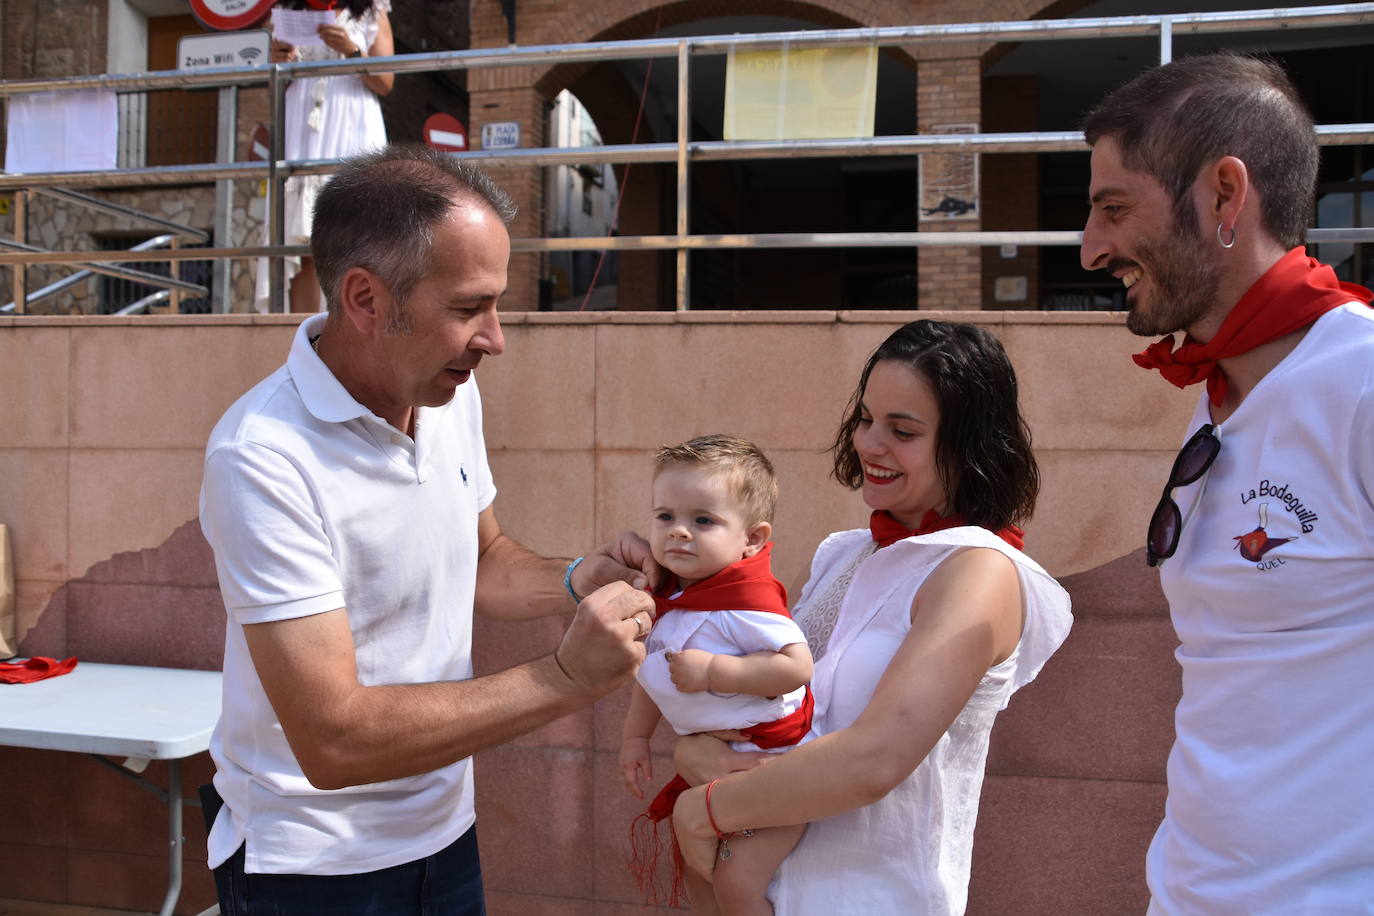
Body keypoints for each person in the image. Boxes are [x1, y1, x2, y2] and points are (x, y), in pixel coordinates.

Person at [199, 144, 659, 914]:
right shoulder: (262, 456)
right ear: (365, 299)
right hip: (312, 865)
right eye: (468, 308)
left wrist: (578, 579)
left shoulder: (446, 394)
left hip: (444, 836)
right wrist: (567, 676)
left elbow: (483, 557)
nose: (495, 338)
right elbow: (332, 741)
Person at [1078, 52, 1374, 915]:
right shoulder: (1219, 398)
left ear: (1223, 196)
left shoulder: (1360, 384)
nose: (1092, 250)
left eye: (1113, 209)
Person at [670, 320, 1073, 915]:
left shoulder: (978, 569)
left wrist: (703, 808)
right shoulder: (841, 554)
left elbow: (873, 760)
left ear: (970, 445)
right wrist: (696, 754)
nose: (870, 444)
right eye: (865, 419)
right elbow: (757, 705)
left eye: (902, 431)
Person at [621, 435, 814, 915]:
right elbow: (654, 676)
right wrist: (634, 739)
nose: (679, 531)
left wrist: (714, 670)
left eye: (703, 520)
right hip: (714, 766)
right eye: (665, 516)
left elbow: (796, 667)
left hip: (772, 762)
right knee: (698, 876)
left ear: (753, 539)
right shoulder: (669, 601)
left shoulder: (745, 602)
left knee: (737, 883)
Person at [257, 0, 394, 313]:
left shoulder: (371, 12)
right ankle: (307, 332)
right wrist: (278, 63)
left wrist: (352, 51)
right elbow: (273, 92)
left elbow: (386, 81)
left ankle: (352, 329)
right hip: (301, 127)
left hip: (350, 125)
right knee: (301, 237)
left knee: (355, 240)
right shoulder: (290, 12)